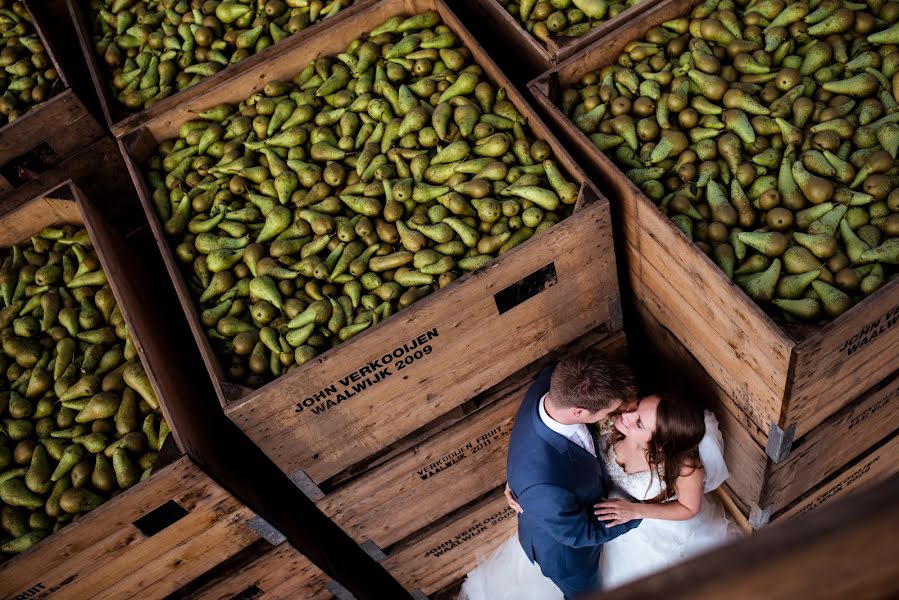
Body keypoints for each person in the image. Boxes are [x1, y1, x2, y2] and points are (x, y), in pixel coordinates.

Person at [459, 366, 740, 599]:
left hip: (645, 522)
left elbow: (688, 508)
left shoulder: (684, 466)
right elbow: (566, 445)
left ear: (661, 446)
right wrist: (524, 479)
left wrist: (638, 511)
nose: (626, 416)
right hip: (596, 507)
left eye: (639, 423)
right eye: (638, 407)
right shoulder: (610, 419)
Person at [462, 352, 642, 600]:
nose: (615, 414)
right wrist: (638, 514)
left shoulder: (553, 380)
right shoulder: (544, 482)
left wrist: (518, 481)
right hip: (568, 555)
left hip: (551, 496)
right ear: (579, 412)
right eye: (608, 411)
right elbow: (580, 534)